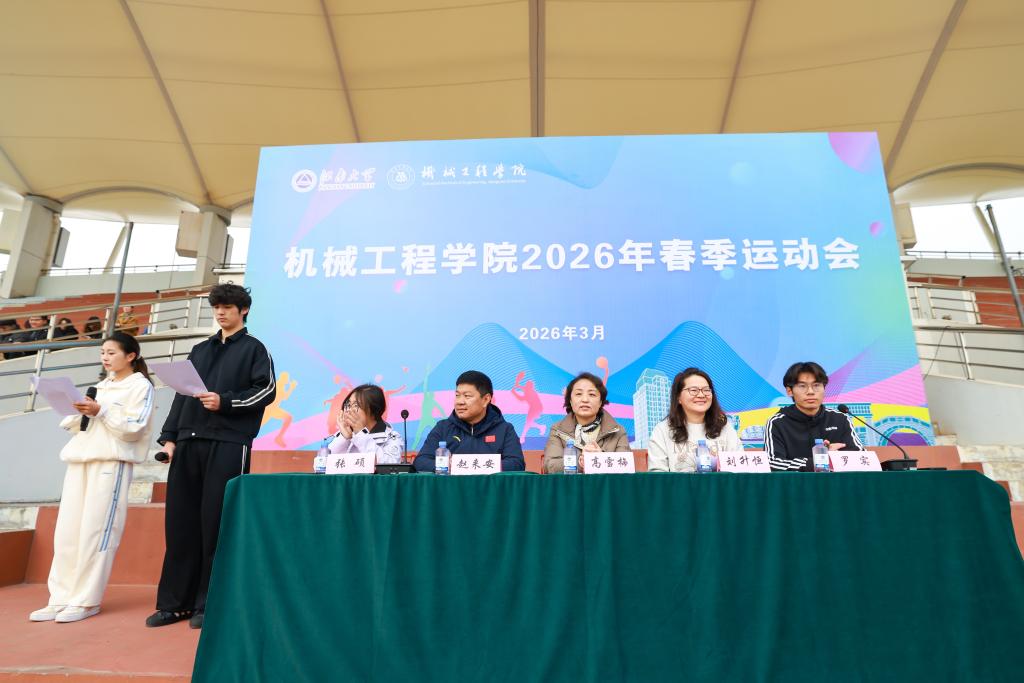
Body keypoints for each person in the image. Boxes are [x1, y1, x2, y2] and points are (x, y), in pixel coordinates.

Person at [146, 283, 276, 630]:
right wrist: (169, 438)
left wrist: (226, 402)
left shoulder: (254, 348)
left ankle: (210, 603)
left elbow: (266, 391)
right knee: (181, 525)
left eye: (227, 307)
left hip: (229, 443)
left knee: (216, 524)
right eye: (216, 307)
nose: (220, 313)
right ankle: (175, 604)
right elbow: (181, 396)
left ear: (243, 311)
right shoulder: (199, 350)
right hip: (189, 442)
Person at [28, 332, 155, 624]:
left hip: (111, 463)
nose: (105, 358)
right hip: (79, 459)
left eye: (111, 353)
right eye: (102, 353)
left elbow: (134, 427)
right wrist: (77, 409)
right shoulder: (100, 386)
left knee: (96, 533)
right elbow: (77, 425)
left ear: (131, 356)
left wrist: (101, 411)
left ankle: (86, 601)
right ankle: (59, 598)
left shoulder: (141, 386)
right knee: (68, 533)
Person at [413, 370, 525, 472]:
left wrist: (474, 466)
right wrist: (446, 466)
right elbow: (421, 461)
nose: (460, 402)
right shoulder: (443, 428)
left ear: (486, 399)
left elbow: (517, 464)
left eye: (467, 396)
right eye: (457, 395)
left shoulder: (505, 429)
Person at [764, 361, 863, 471]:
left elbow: (861, 456)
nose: (810, 392)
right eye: (802, 386)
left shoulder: (840, 419)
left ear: (824, 388)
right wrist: (820, 461)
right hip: (797, 482)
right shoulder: (777, 422)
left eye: (816, 385)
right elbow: (772, 463)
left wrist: (835, 456)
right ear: (789, 391)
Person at [647, 368, 742, 472]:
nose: (701, 395)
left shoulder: (725, 428)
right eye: (693, 390)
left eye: (706, 390)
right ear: (678, 397)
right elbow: (657, 474)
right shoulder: (662, 430)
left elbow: (739, 470)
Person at [543, 372, 629, 473]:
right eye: (578, 394)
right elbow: (550, 466)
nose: (585, 399)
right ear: (570, 401)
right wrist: (580, 462)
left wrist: (601, 459)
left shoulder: (618, 431)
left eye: (592, 394)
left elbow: (626, 467)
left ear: (600, 402)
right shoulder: (558, 430)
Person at [328, 384, 403, 464]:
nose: (349, 410)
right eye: (348, 405)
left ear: (374, 409)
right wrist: (344, 438)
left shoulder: (392, 437)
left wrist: (360, 433)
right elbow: (327, 463)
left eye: (356, 405)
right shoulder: (346, 434)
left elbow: (390, 465)